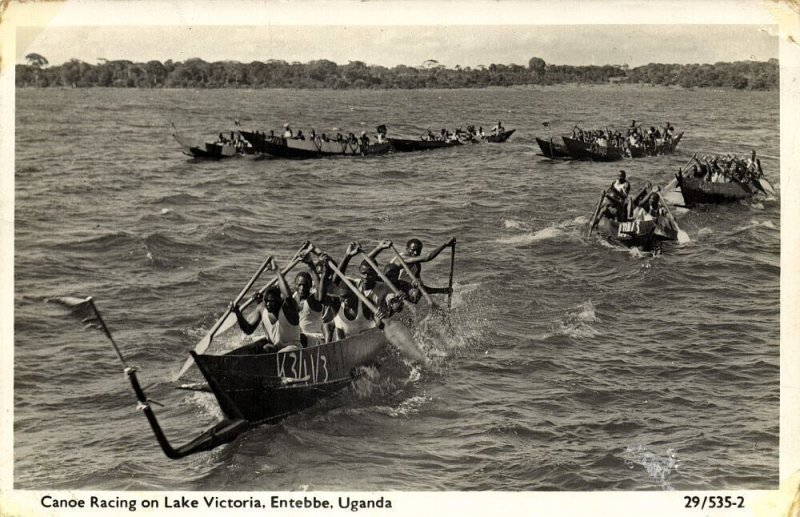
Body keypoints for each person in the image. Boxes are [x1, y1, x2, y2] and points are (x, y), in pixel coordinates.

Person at [232, 257, 302, 353]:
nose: (268, 304)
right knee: (266, 348)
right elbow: (248, 330)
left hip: (293, 349)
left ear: (279, 301)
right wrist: (238, 312)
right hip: (276, 349)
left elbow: (288, 297)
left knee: (278, 352)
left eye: (272, 301)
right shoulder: (262, 308)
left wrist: (277, 271)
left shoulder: (288, 309)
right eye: (266, 301)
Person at [386, 237, 456, 295]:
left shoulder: (417, 266)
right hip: (389, 286)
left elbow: (421, 288)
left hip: (403, 289)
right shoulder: (402, 258)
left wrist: (442, 291)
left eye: (418, 250)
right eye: (413, 250)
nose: (416, 253)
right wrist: (444, 245)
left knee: (417, 292)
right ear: (407, 250)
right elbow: (427, 257)